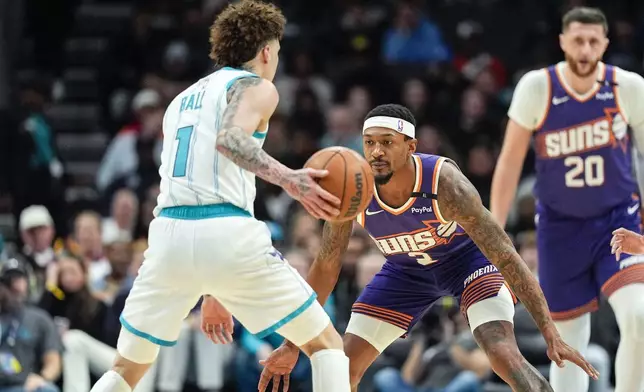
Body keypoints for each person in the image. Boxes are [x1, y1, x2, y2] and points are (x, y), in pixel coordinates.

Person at [90, 1, 350, 392]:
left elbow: (200, 179)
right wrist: (290, 179)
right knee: (326, 345)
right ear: (266, 50)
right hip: (227, 231)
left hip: (169, 238)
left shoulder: (180, 100)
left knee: (126, 369)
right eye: (277, 52)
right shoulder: (257, 86)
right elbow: (230, 140)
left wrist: (214, 287)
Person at [254, 104, 597, 392]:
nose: (376, 152)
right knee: (340, 368)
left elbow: (505, 254)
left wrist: (549, 332)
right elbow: (327, 265)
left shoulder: (443, 183)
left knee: (501, 351)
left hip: (467, 263)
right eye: (369, 142)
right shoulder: (355, 187)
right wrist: (291, 344)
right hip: (405, 272)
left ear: (411, 146)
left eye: (387, 142)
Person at [490, 7, 644, 392]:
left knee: (640, 316)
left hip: (618, 222)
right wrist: (494, 230)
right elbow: (509, 162)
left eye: (594, 41)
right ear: (562, 42)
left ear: (606, 44)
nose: (585, 49)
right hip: (560, 230)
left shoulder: (628, 87)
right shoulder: (537, 87)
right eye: (578, 40)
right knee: (568, 346)